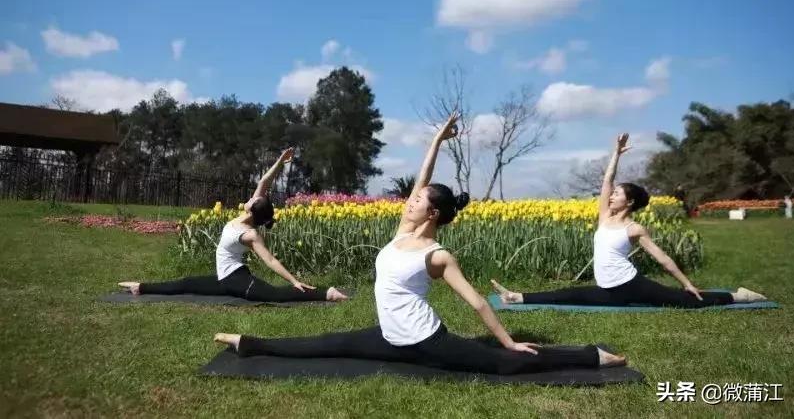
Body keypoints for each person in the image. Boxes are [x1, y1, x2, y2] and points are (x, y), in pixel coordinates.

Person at [214, 113, 626, 373]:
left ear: (431, 214)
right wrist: (436, 142)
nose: (408, 201)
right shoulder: (401, 234)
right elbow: (422, 181)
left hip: (425, 341)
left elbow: (478, 302)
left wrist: (508, 339)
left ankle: (591, 355)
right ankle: (250, 344)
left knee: (505, 363)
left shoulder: (437, 254)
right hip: (389, 337)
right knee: (326, 343)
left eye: (415, 202)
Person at [492, 134, 768, 309]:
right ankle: (516, 296)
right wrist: (616, 153)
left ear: (630, 202)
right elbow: (606, 181)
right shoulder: (604, 216)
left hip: (630, 284)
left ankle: (739, 296)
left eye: (617, 195)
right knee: (569, 293)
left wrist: (686, 281)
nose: (611, 196)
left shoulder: (633, 228)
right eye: (612, 195)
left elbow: (662, 259)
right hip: (608, 290)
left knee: (685, 301)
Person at [118, 148, 348, 303]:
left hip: (236, 281)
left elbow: (269, 260)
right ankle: (140, 287)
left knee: (276, 295)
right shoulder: (248, 215)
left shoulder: (250, 233)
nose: (252, 196)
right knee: (187, 283)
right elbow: (263, 182)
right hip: (223, 277)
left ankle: (326, 293)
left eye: (254, 199)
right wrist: (280, 161)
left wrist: (294, 280)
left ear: (252, 208)